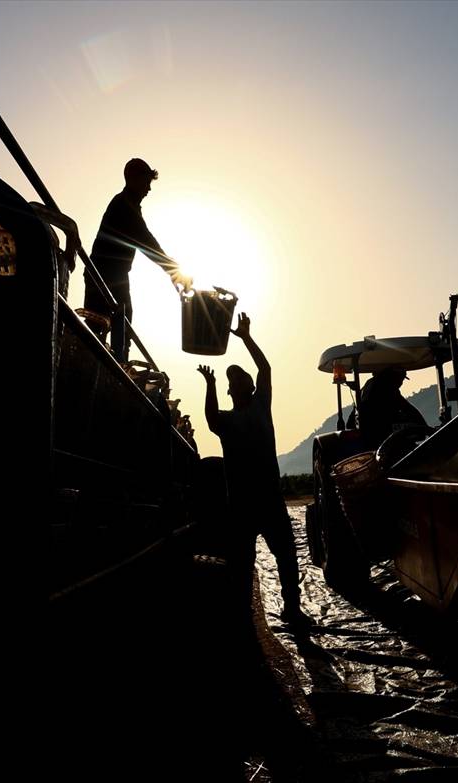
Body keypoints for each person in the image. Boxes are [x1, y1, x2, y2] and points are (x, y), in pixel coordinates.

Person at [198, 314, 310, 628]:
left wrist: (246, 337)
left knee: (287, 557)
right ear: (232, 392)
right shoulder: (226, 421)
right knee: (242, 562)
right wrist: (211, 385)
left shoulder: (262, 405)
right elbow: (209, 417)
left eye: (241, 377)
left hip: (270, 500)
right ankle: (241, 615)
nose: (241, 379)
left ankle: (292, 608)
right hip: (243, 504)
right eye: (234, 380)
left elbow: (265, 368)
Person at [84, 158, 191, 359]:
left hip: (113, 275)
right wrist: (174, 270)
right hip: (103, 274)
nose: (149, 189)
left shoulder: (130, 206)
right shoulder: (124, 207)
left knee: (120, 325)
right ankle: (111, 368)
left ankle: (115, 362)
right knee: (105, 327)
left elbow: (145, 241)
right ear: (132, 179)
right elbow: (146, 241)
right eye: (146, 182)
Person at [357, 367, 431, 451]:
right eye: (401, 379)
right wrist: (424, 426)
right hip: (380, 437)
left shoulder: (370, 385)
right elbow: (407, 408)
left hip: (373, 435)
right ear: (393, 376)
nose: (401, 383)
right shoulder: (385, 386)